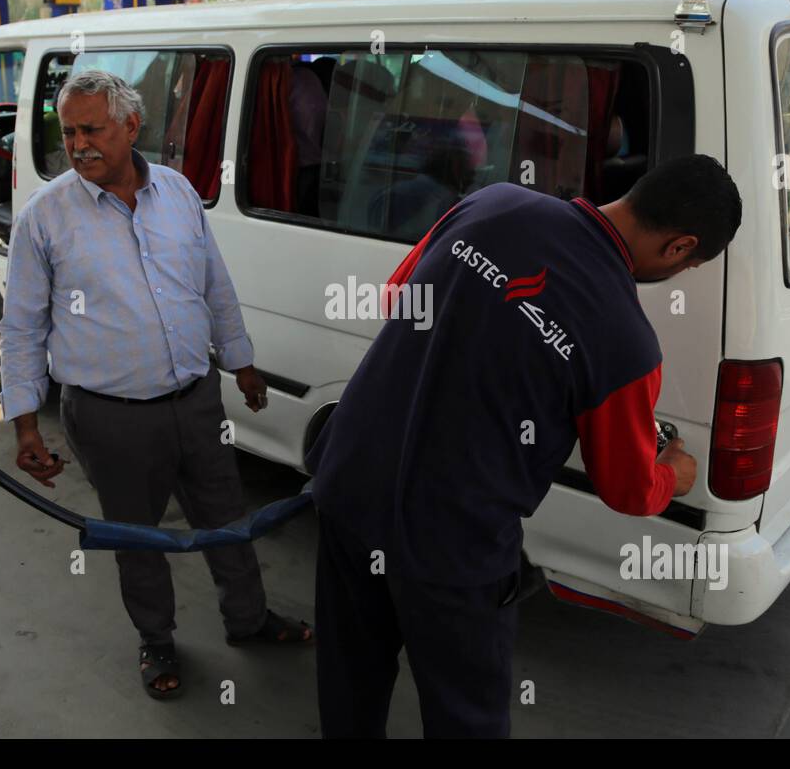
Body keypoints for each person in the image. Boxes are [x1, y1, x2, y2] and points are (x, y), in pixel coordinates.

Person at [306, 154, 742, 737]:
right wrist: (678, 473)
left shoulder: (494, 202)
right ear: (680, 246)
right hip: (453, 544)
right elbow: (628, 488)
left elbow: (397, 300)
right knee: (467, 714)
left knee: (349, 681)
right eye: (692, 264)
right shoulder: (626, 342)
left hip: (348, 480)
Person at [0, 69, 312, 702]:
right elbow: (22, 326)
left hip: (196, 401)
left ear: (131, 127)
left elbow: (214, 285)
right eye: (69, 132)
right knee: (136, 536)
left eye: (93, 129)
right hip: (110, 417)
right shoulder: (45, 219)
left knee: (226, 518)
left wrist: (241, 362)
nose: (79, 144)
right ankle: (158, 641)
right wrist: (26, 421)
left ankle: (248, 620)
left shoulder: (176, 193)